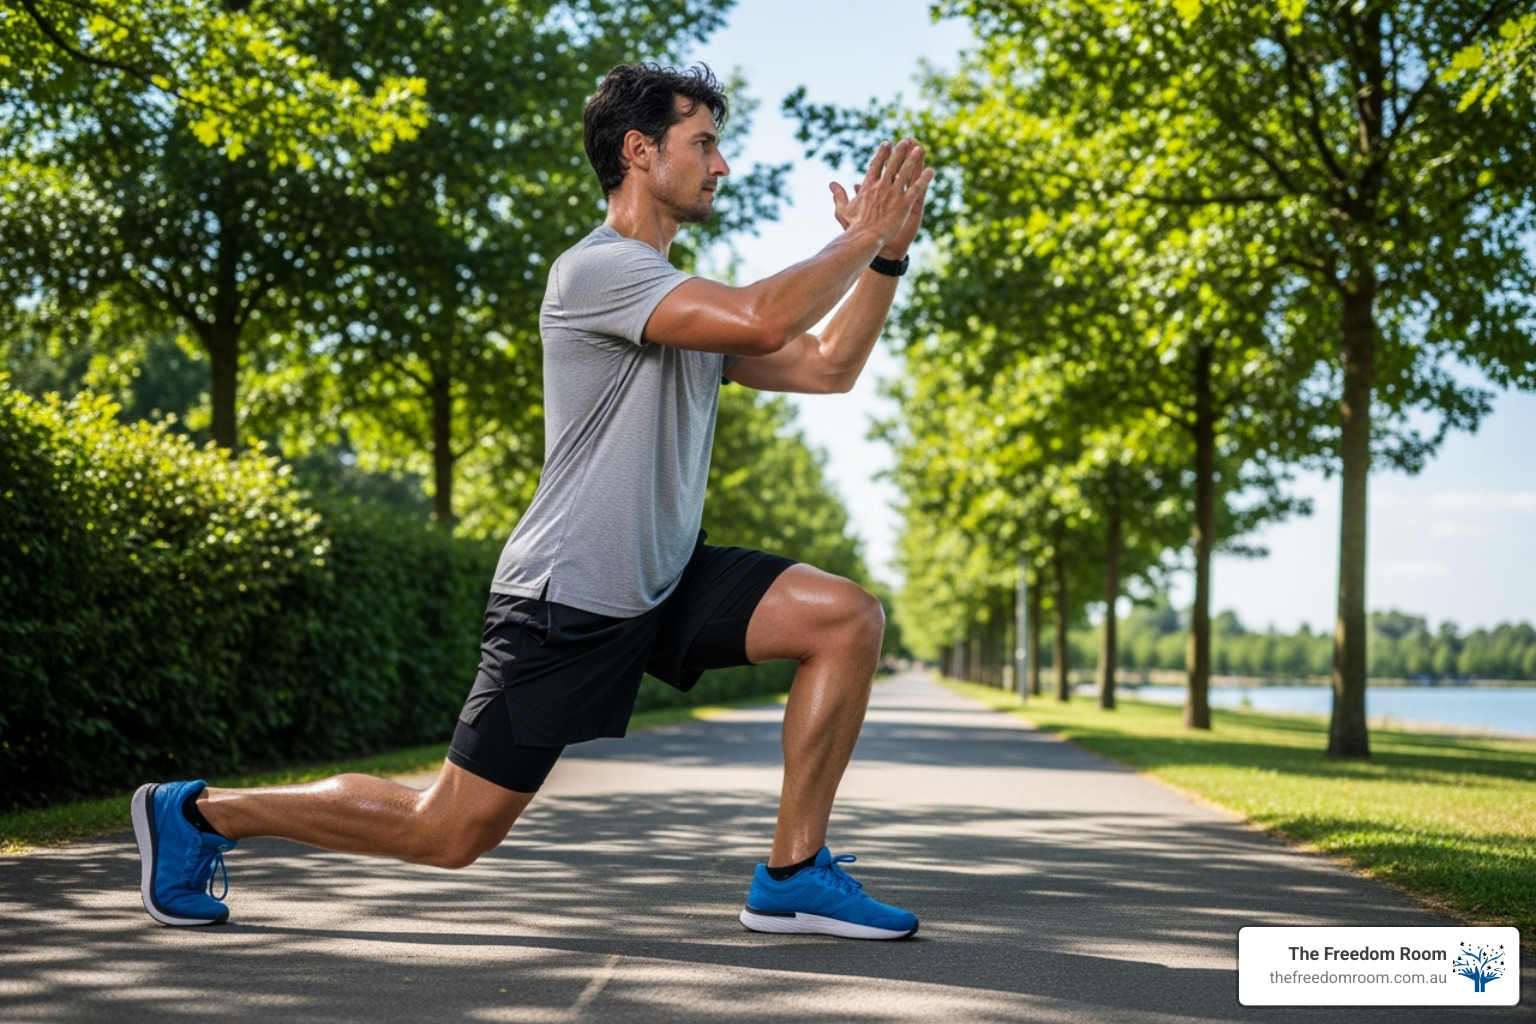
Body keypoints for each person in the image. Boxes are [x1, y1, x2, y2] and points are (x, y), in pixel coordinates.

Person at [132, 63, 932, 941]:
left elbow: (826, 367)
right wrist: (860, 237)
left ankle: (793, 873)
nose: (722, 166)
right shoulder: (596, 271)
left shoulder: (689, 303)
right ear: (639, 151)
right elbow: (764, 321)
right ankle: (203, 812)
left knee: (844, 618)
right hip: (568, 595)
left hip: (663, 578)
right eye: (703, 143)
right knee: (446, 830)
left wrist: (888, 254)